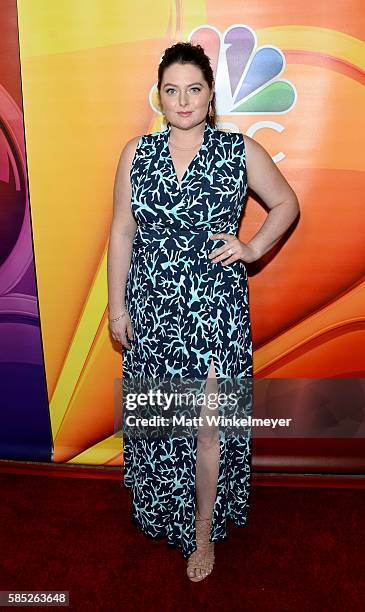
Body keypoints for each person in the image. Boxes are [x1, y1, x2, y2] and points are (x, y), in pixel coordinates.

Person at [107, 42, 300, 582]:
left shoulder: (237, 150)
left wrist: (253, 247)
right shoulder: (136, 154)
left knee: (209, 427)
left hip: (214, 307)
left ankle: (202, 536)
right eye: (172, 90)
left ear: (211, 94)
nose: (183, 99)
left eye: (194, 88)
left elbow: (287, 203)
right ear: (160, 96)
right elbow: (123, 230)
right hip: (152, 307)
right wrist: (116, 305)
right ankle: (164, 508)